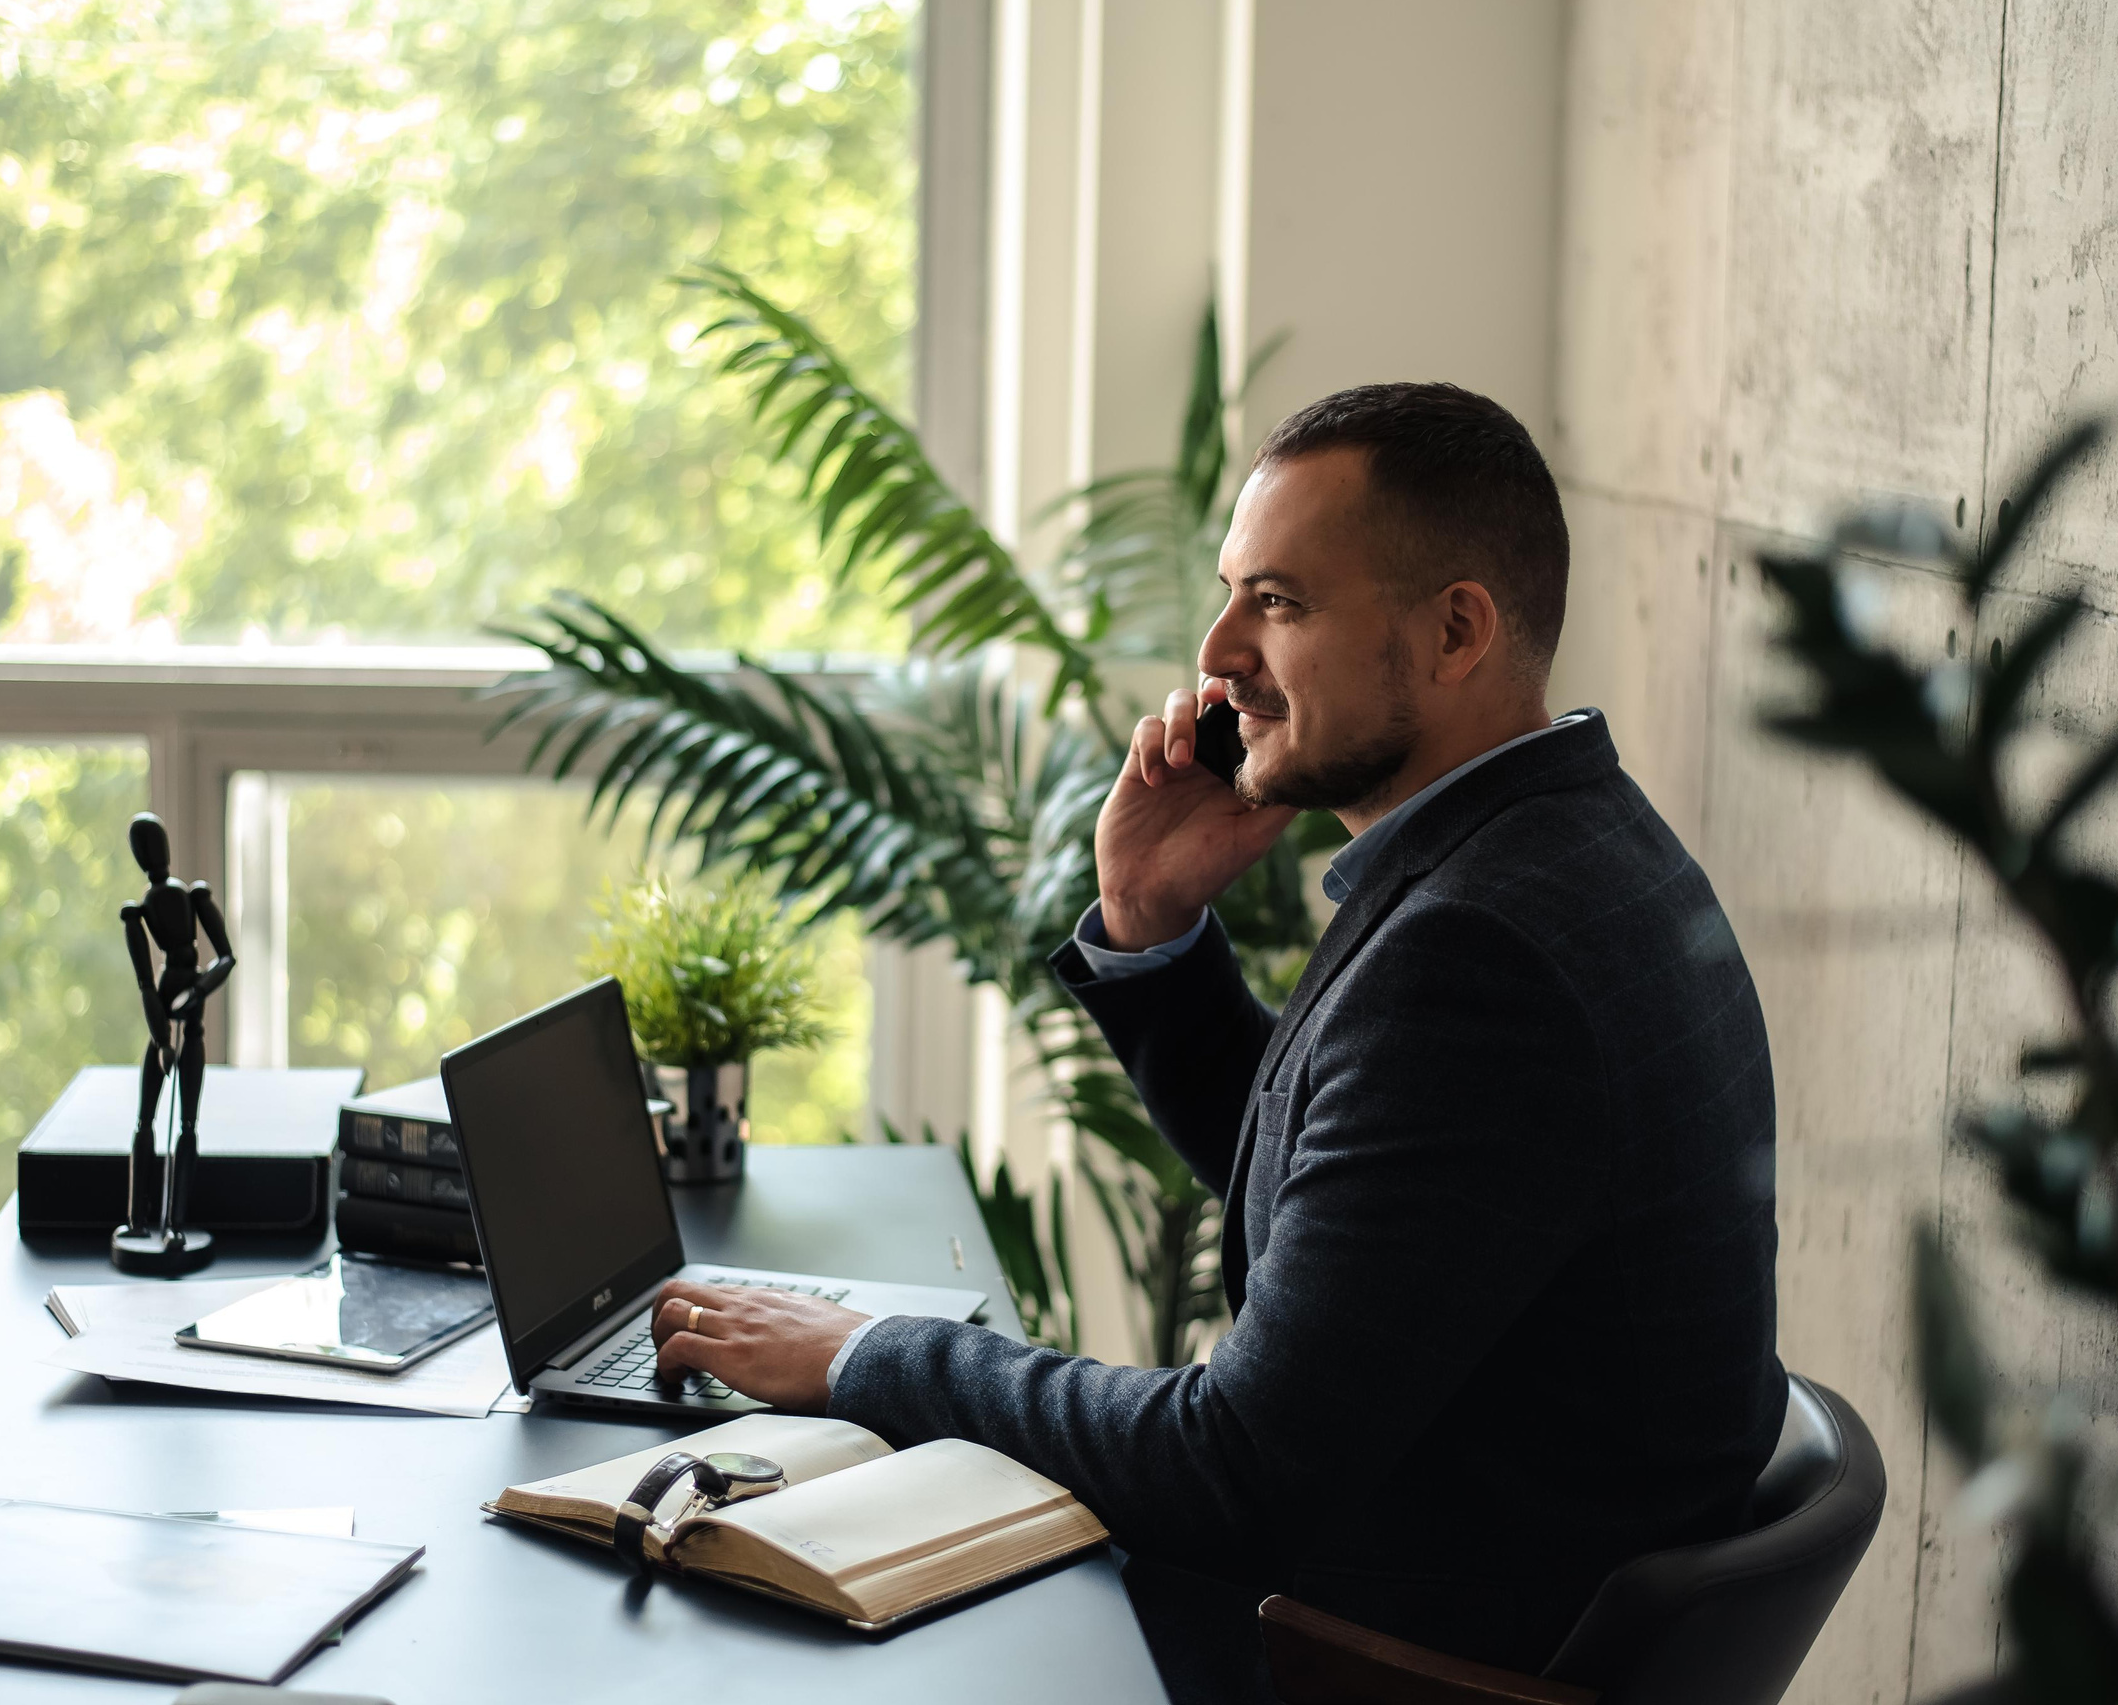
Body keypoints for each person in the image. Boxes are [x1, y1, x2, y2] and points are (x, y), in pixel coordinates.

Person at [647, 383, 1786, 1700]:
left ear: (1457, 627)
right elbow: (1357, 1198)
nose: (1219, 652)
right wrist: (1151, 923)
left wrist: (862, 1357)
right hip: (1420, 1593)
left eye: (1280, 602)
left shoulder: (1480, 958)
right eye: (1232, 592)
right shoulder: (1571, 844)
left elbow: (1231, 1467)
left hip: (1363, 1656)